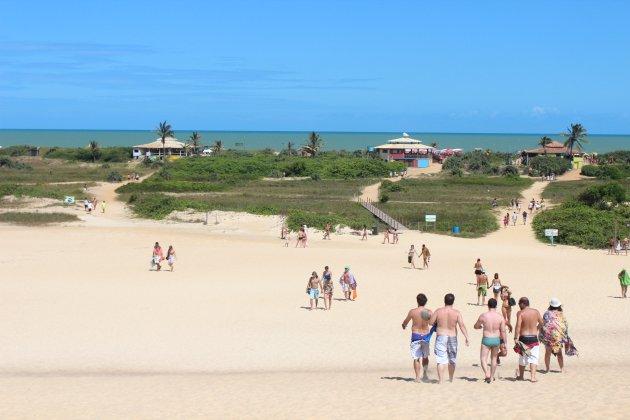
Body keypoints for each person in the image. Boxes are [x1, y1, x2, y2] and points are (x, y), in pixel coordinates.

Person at [429, 293, 470, 384]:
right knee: (452, 359)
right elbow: (462, 326)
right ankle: (451, 379)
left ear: (444, 301)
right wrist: (466, 337)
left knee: (440, 360)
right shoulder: (456, 313)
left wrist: (436, 322)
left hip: (441, 336)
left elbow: (431, 323)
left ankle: (441, 380)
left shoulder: (438, 311)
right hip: (452, 336)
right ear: (453, 301)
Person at [402, 293, 434, 382]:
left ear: (417, 301)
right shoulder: (429, 312)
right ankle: (425, 374)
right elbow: (433, 323)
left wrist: (403, 325)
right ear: (425, 302)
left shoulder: (412, 312)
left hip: (416, 335)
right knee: (425, 357)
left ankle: (417, 377)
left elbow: (405, 321)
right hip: (426, 335)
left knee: (416, 358)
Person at [474, 298, 506, 383]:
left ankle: (487, 373)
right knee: (494, 359)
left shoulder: (484, 315)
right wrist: (505, 342)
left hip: (486, 338)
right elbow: (503, 331)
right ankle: (491, 377)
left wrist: (480, 327)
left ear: (488, 305)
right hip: (496, 339)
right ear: (496, 306)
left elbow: (476, 326)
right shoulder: (500, 317)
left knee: (483, 358)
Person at [514, 297, 544, 382]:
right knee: (534, 357)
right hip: (533, 337)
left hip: (523, 338)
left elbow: (518, 326)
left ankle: (521, 376)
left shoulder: (520, 313)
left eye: (519, 304)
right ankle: (533, 377)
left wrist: (515, 337)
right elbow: (542, 323)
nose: (518, 305)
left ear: (523, 303)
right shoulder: (536, 312)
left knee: (523, 357)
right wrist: (536, 328)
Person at [539, 298, 568, 373]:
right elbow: (564, 325)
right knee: (559, 353)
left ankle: (547, 369)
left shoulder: (546, 313)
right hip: (558, 336)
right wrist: (565, 336)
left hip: (548, 336)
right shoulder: (560, 314)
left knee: (548, 353)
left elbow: (543, 324)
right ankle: (562, 369)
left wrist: (541, 334)